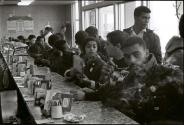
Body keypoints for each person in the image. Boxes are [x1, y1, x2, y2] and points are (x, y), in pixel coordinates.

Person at [100, 36, 183, 124]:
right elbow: (110, 101)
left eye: (136, 55)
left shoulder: (169, 74)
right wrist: (108, 82)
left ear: (146, 53)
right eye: (127, 56)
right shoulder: (130, 76)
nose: (132, 60)